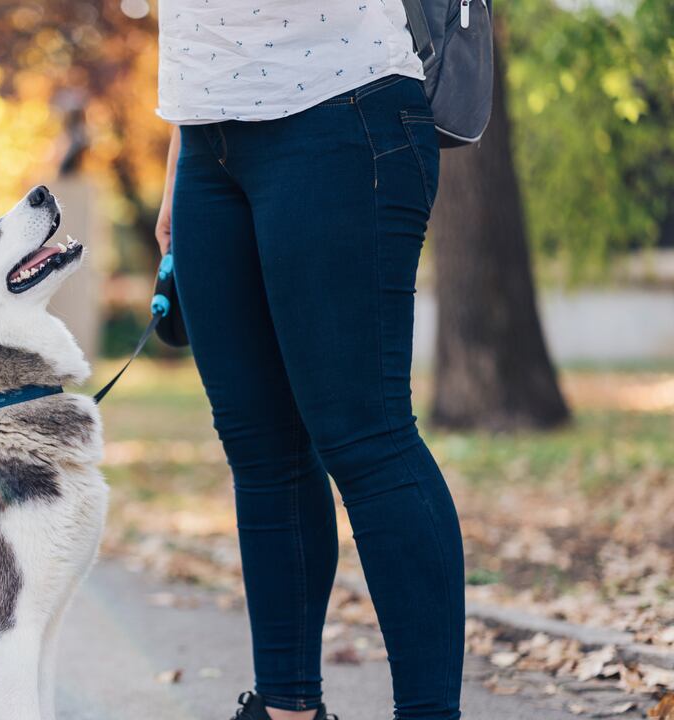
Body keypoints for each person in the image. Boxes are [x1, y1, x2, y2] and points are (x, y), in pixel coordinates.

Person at [151, 4, 465, 720]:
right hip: (208, 138)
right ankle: (288, 709)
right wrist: (180, 150)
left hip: (340, 105)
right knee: (261, 451)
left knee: (367, 439)